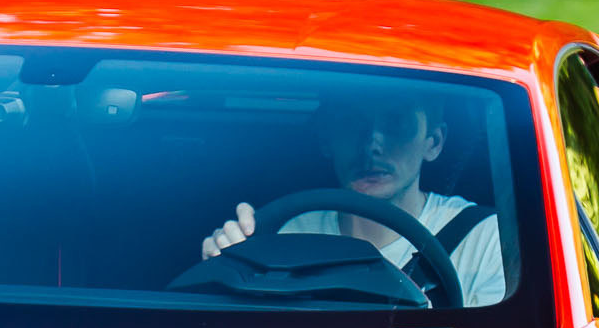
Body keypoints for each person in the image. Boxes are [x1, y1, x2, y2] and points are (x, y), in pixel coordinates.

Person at [199, 97, 506, 306]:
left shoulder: (485, 237)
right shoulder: (295, 231)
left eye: (397, 122)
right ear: (325, 141)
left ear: (434, 142)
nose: (372, 143)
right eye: (350, 122)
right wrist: (227, 268)